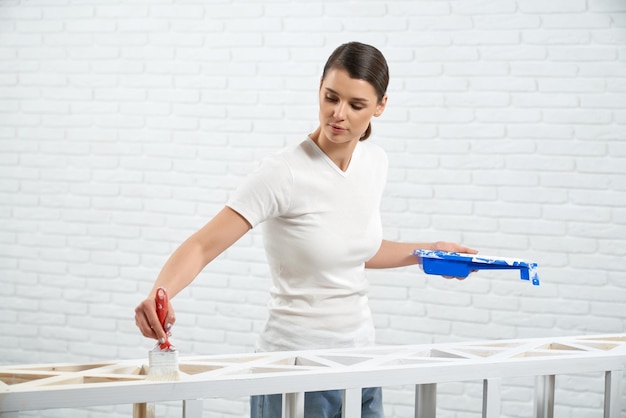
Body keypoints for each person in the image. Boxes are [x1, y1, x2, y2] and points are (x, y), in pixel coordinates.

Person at [135, 41, 477, 418]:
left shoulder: (375, 162)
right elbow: (203, 245)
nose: (338, 114)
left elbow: (354, 250)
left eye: (356, 105)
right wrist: (159, 293)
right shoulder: (283, 172)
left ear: (380, 106)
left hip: (362, 363)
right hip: (294, 370)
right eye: (331, 97)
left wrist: (429, 252)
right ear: (319, 88)